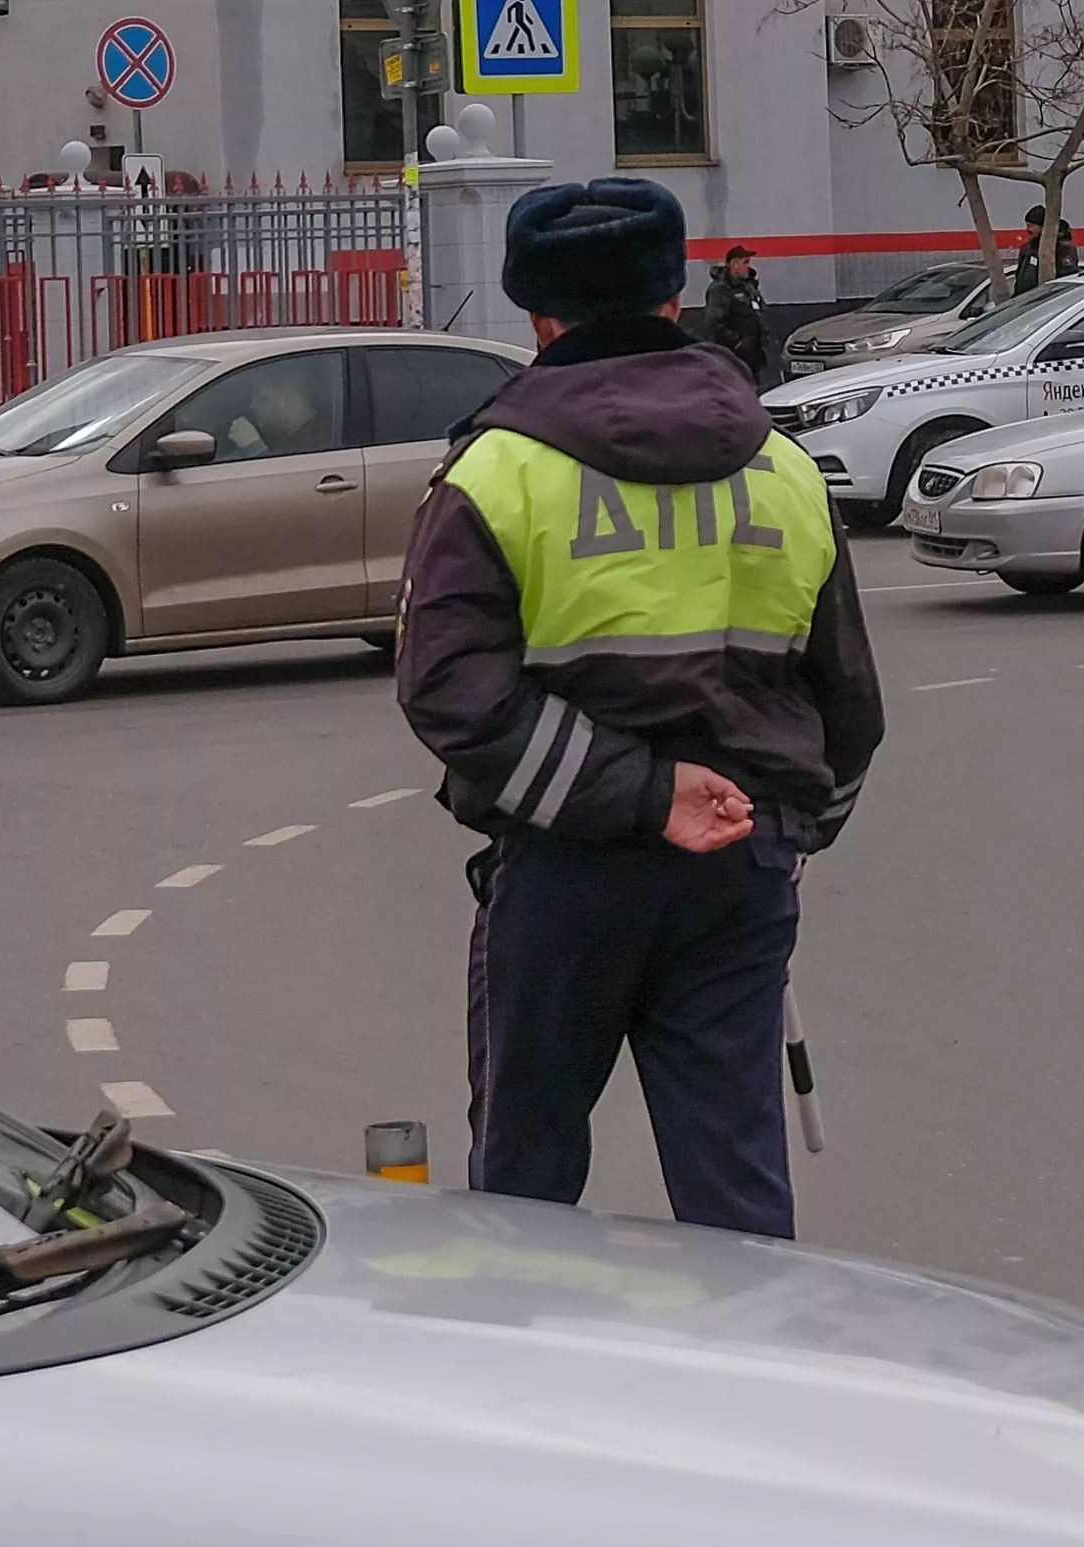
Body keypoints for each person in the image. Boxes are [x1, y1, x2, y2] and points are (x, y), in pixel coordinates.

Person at [394, 178, 886, 1241]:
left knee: (524, 1189)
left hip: (565, 869)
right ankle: (753, 1400)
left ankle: (522, 1397)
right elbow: (847, 701)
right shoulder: (784, 467)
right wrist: (790, 825)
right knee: (736, 1198)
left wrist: (642, 793)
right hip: (739, 867)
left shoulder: (494, 471)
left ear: (536, 316)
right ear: (675, 298)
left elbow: (446, 685)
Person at [704, 244, 769, 383]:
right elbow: (714, 322)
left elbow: (760, 309)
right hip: (733, 357)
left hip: (753, 353)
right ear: (734, 263)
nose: (748, 266)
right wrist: (737, 342)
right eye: (745, 262)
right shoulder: (721, 290)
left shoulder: (748, 286)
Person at [1011, 206, 1079, 297]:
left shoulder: (1063, 248)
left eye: (1031, 226)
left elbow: (1068, 277)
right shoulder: (1028, 248)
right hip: (1025, 300)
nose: (1027, 230)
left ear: (1043, 227)